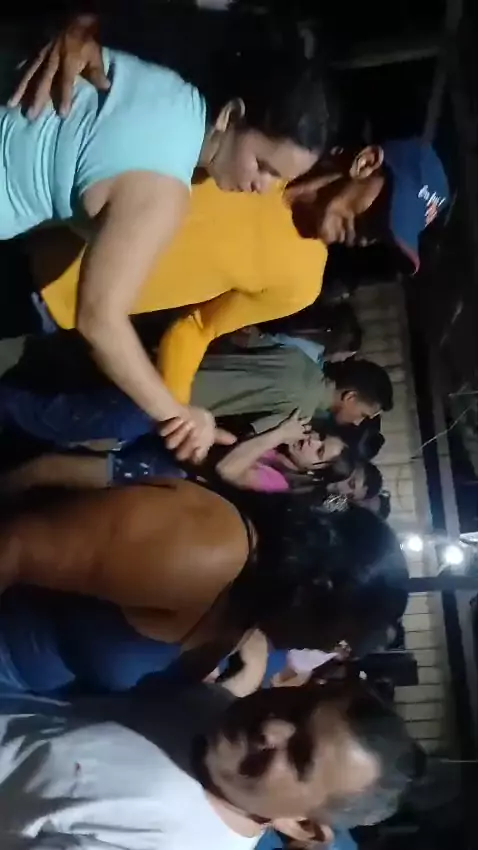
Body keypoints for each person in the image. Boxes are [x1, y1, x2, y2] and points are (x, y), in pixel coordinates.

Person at [1, 14, 333, 464]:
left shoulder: (166, 86)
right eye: (263, 165)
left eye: (278, 178)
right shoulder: (165, 193)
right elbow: (99, 319)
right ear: (232, 114)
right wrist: (175, 414)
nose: (263, 186)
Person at [0, 483, 408, 694]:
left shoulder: (247, 615)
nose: (324, 649)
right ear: (318, 589)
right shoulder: (210, 549)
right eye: (339, 639)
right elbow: (16, 545)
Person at [0, 679, 423, 848]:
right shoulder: (212, 706)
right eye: (297, 706)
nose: (271, 727)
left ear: (301, 825)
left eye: (299, 757)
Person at [0, 349, 393, 445]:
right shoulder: (301, 412)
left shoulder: (300, 359)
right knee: (55, 419)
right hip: (165, 405)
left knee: (67, 390)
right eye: (363, 413)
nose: (358, 421)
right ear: (350, 395)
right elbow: (244, 438)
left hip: (166, 364)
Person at [0, 411, 352, 494]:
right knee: (54, 457)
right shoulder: (278, 455)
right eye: (320, 437)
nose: (312, 440)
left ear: (315, 471)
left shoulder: (279, 484)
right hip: (163, 453)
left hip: (160, 476)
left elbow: (228, 470)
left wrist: (277, 433)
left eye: (319, 449)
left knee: (48, 468)